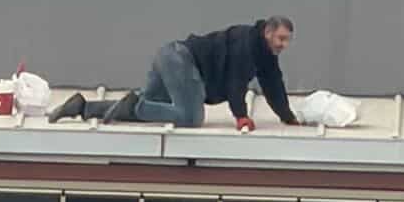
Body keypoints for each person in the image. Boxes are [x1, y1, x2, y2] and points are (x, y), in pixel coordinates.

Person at [104, 16, 298, 129]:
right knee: (190, 118)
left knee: (156, 108)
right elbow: (235, 80)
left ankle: (85, 108)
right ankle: (137, 106)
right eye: (281, 39)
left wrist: (288, 117)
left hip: (170, 55)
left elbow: (274, 86)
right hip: (183, 62)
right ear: (268, 33)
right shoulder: (247, 44)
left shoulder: (265, 55)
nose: (284, 45)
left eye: (288, 40)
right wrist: (241, 116)